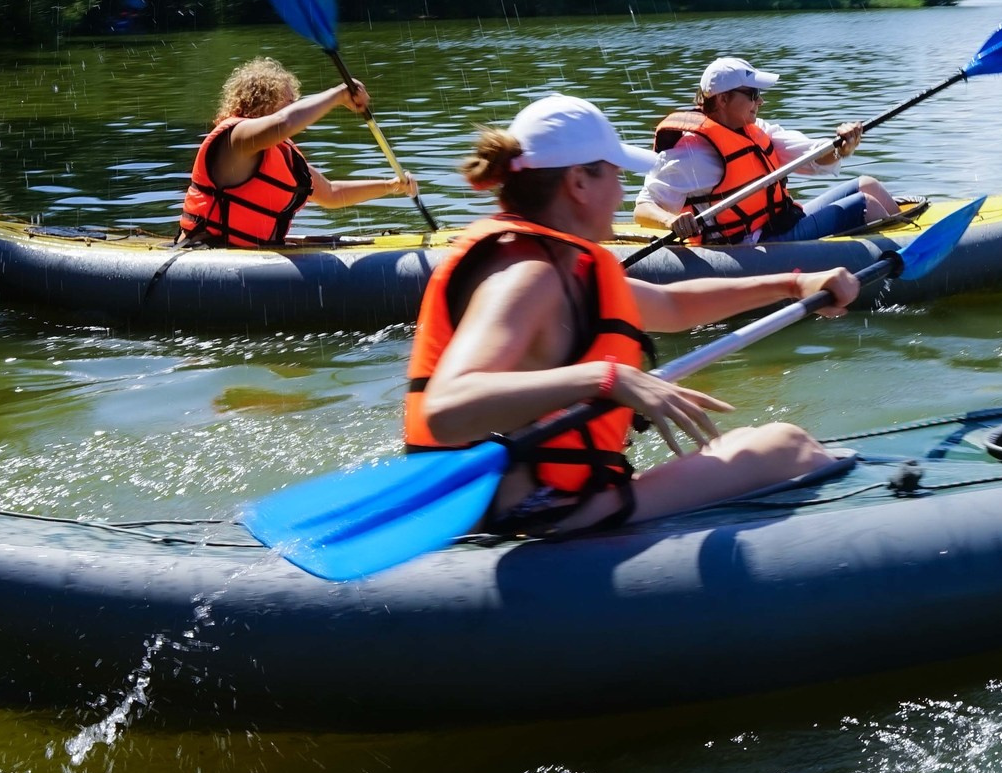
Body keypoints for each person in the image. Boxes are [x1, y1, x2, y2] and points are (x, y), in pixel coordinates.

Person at [406, 94, 861, 536]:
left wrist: (793, 284)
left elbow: (674, 306)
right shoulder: (527, 275)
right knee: (784, 447)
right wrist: (608, 379)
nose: (623, 191)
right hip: (534, 521)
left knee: (767, 441)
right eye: (615, 175)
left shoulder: (559, 266)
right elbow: (447, 408)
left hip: (550, 506)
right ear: (579, 183)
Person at [633, 56, 900, 245]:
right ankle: (909, 264)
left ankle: (914, 238)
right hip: (752, 245)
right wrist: (670, 222)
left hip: (780, 222)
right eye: (752, 94)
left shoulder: (757, 129)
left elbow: (813, 156)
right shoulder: (689, 153)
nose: (760, 100)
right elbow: (643, 207)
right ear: (723, 99)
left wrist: (842, 147)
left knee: (868, 185)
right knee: (866, 205)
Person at [176, 58, 417, 247]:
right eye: (289, 100)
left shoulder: (281, 155)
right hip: (206, 254)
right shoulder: (236, 140)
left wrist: (390, 186)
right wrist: (339, 94)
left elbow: (331, 194)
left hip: (252, 258)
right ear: (263, 102)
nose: (295, 105)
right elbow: (285, 122)